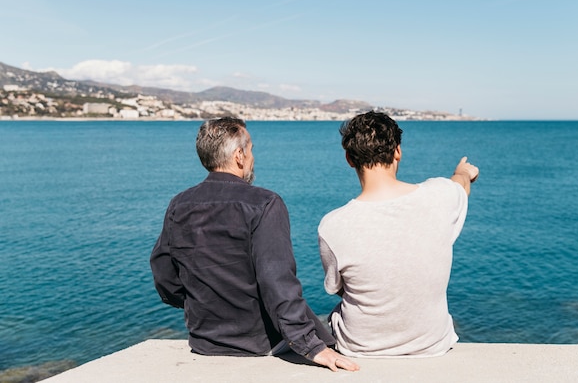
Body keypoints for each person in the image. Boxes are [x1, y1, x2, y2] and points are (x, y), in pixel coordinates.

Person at [150, 117, 358, 372]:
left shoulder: (178, 205)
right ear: (239, 155)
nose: (252, 157)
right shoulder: (264, 203)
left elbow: (165, 276)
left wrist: (201, 303)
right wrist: (311, 347)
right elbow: (277, 281)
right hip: (261, 343)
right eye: (250, 149)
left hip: (205, 341)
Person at [318, 111, 479, 358]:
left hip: (360, 348)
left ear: (349, 158)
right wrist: (464, 171)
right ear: (398, 152)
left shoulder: (332, 225)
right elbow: (460, 185)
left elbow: (338, 288)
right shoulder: (440, 196)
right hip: (431, 345)